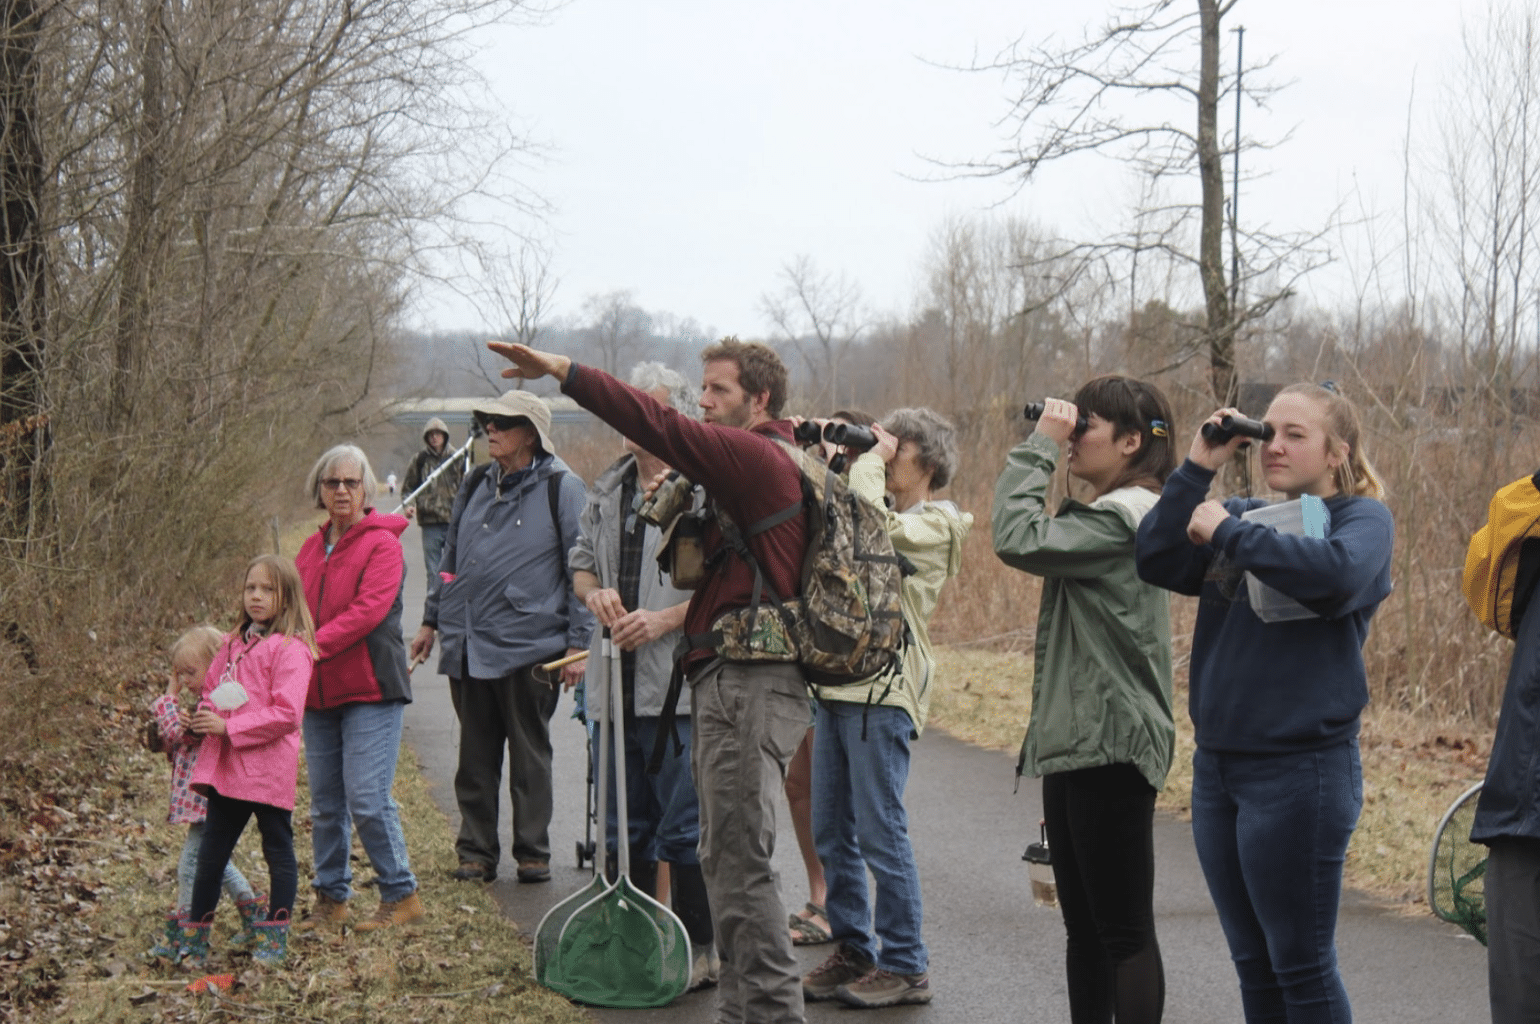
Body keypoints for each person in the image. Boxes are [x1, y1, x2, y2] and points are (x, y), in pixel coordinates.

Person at [490, 336, 812, 1024]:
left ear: (758, 400)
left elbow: (659, 425)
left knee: (737, 864)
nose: (703, 403)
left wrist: (563, 372)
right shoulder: (740, 469)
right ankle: (739, 1007)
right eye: (702, 390)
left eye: (717, 391)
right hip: (715, 680)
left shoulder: (755, 454)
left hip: (747, 686)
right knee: (725, 858)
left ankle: (767, 1012)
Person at [1136, 382, 1394, 1024]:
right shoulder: (1246, 514)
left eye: (1295, 435)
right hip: (1219, 771)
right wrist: (1198, 464)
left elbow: (1332, 577)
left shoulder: (1362, 522)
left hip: (1300, 773)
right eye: (1266, 432)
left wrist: (1229, 532)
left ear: (1337, 453)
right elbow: (1157, 558)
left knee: (1302, 967)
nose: (1273, 446)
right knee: (1254, 965)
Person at [991, 377, 1178, 1024]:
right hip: (1081, 741)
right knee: (1087, 934)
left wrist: (1038, 447)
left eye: (1084, 426)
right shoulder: (1115, 514)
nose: (1071, 436)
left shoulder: (1128, 518)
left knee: (1121, 933)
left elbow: (1017, 536)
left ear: (1133, 442)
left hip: (1112, 740)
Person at [801, 407, 972, 1009]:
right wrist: (828, 460)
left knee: (880, 832)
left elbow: (871, 525)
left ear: (926, 461)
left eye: (895, 451)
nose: (885, 457)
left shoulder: (941, 524)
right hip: (838, 685)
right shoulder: (873, 500)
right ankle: (854, 948)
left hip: (886, 691)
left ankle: (907, 964)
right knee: (831, 831)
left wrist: (867, 461)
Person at [569, 360, 717, 990]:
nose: (631, 423)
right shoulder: (605, 490)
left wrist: (663, 622)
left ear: (671, 418)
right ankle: (625, 943)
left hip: (676, 693)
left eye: (645, 409)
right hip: (612, 690)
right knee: (621, 828)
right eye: (626, 410)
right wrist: (595, 595)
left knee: (681, 831)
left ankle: (701, 954)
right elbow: (580, 565)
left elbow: (724, 590)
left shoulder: (706, 490)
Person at [408, 390, 591, 885]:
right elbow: (449, 559)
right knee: (475, 756)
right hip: (468, 641)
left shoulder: (562, 487)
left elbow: (584, 568)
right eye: (488, 421)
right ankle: (476, 853)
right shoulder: (474, 482)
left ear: (531, 434)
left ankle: (533, 854)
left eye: (503, 424)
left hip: (531, 646)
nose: (491, 430)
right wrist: (430, 622)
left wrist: (579, 643)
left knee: (530, 755)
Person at [293, 444, 423, 932]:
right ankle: (331, 900)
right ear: (320, 491)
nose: (342, 490)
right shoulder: (309, 549)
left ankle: (401, 895)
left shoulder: (382, 545)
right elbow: (292, 610)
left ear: (367, 487)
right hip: (318, 693)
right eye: (332, 483)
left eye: (351, 482)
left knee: (367, 797)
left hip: (371, 688)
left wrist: (308, 645)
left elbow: (368, 612)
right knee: (326, 805)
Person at [179, 555, 318, 969]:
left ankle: (273, 939)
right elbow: (213, 690)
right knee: (211, 856)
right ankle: (194, 939)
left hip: (268, 769)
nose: (256, 596)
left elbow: (287, 713)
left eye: (267, 589)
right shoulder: (231, 643)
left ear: (286, 596)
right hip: (227, 771)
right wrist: (202, 717)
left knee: (278, 849)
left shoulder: (293, 650)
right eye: (250, 588)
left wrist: (230, 729)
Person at [785, 408, 876, 951]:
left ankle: (841, 903)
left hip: (847, 664)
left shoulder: (865, 495)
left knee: (842, 796)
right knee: (800, 785)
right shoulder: (809, 482)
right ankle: (822, 889)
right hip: (805, 657)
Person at [145, 626, 261, 962]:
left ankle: (187, 929)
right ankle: (252, 914)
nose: (182, 680)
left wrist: (167, 695)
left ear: (215, 664)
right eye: (177, 674)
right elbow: (167, 740)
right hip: (207, 801)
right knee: (216, 862)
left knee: (190, 865)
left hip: (210, 800)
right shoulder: (204, 702)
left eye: (188, 673)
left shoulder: (212, 707)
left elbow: (173, 732)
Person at [402, 417, 468, 588]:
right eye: (431, 434)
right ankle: (435, 607)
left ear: (445, 436)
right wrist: (408, 506)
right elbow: (408, 489)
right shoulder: (420, 460)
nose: (434, 437)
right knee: (433, 571)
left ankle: (453, 604)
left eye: (438, 434)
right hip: (429, 523)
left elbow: (468, 488)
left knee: (453, 569)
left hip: (453, 522)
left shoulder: (458, 458)